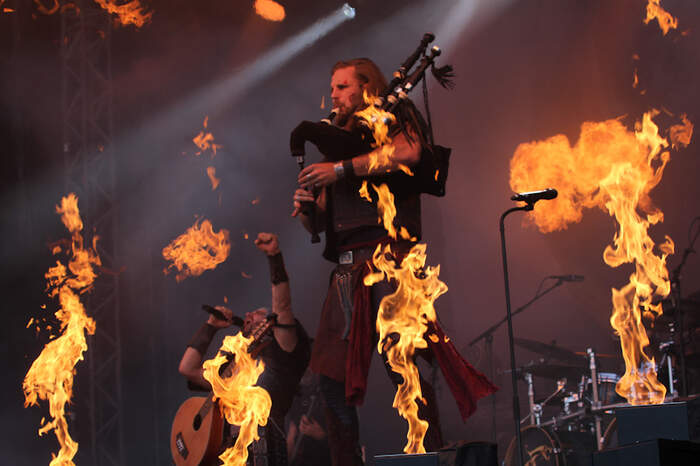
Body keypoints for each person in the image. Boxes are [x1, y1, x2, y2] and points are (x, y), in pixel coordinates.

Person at [291, 58, 497, 466]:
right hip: (347, 272)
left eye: (342, 86)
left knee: (404, 369)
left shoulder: (391, 113)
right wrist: (306, 209)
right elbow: (322, 216)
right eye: (332, 87)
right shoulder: (336, 139)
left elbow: (409, 152)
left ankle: (428, 456)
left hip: (390, 264)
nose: (333, 94)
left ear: (366, 88)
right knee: (329, 381)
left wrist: (340, 169)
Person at [178, 232, 311, 466]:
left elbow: (282, 305)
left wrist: (274, 257)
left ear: (269, 323)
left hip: (263, 450)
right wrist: (210, 327)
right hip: (225, 454)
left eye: (256, 313)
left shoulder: (283, 350)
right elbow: (187, 369)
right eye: (248, 314)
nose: (247, 315)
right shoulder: (235, 365)